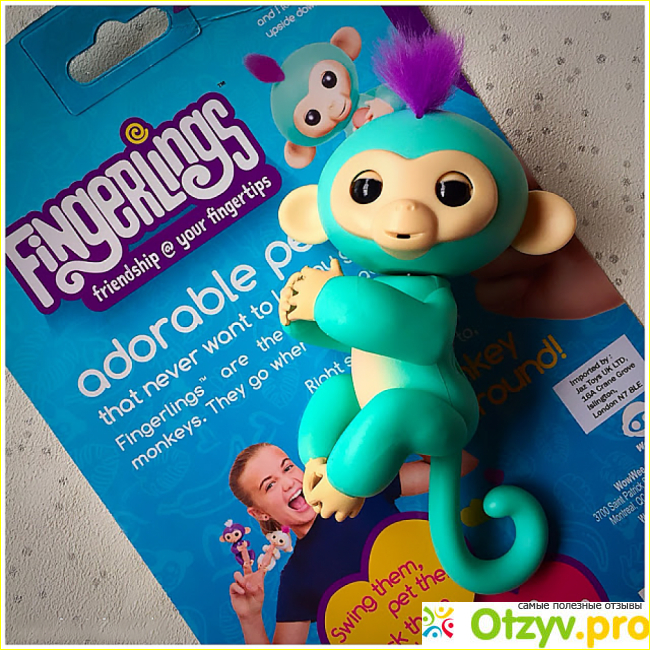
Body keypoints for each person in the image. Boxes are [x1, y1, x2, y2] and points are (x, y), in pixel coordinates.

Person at [227, 443, 477, 644]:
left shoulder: (360, 491)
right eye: (270, 485)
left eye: (288, 467)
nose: (288, 483)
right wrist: (250, 618)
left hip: (474, 615)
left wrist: (410, 430)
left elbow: (463, 464)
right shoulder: (296, 577)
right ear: (260, 514)